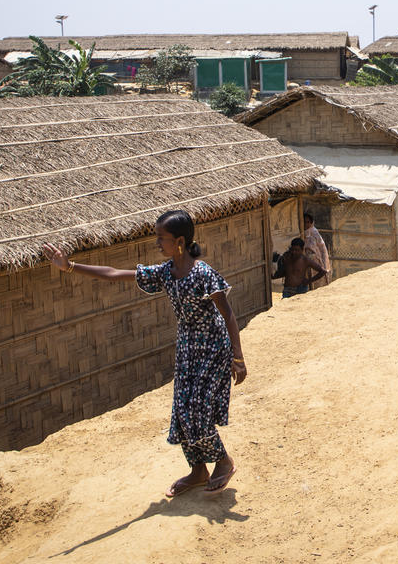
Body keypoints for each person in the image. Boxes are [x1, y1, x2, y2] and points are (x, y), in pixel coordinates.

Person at [41, 209, 245, 499]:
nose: (157, 244)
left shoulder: (203, 274)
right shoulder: (165, 273)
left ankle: (223, 461)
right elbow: (114, 275)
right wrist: (70, 266)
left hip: (213, 348)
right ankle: (198, 470)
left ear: (180, 242)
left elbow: (229, 315)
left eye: (162, 239)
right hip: (187, 348)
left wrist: (238, 358)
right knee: (182, 411)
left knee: (198, 410)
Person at [302, 212, 331, 287]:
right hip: (304, 262)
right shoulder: (300, 233)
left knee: (318, 283)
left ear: (311, 223)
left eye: (308, 222)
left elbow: (322, 249)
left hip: (316, 261)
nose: (306, 224)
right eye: (304, 222)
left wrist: (325, 264)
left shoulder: (315, 233)